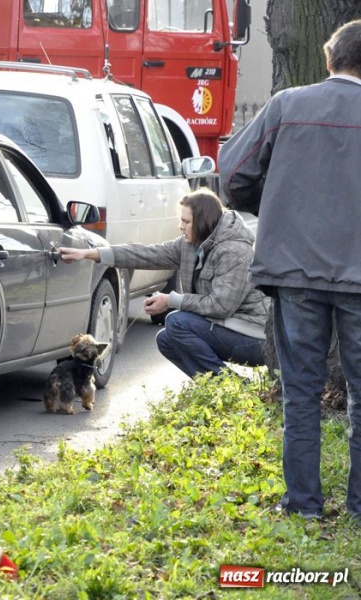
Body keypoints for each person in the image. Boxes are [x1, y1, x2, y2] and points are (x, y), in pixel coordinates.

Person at [218, 19, 361, 521]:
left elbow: (233, 176)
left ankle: (302, 506)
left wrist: (277, 204)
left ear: (329, 58)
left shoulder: (286, 105)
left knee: (300, 392)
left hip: (295, 270)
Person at [60, 188, 269, 378]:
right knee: (166, 340)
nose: (180, 226)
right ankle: (222, 390)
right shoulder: (193, 242)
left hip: (254, 338)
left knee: (177, 323)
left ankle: (232, 390)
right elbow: (148, 254)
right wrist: (91, 253)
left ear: (203, 221)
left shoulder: (234, 251)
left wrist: (171, 300)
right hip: (227, 329)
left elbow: (221, 306)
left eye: (186, 222)